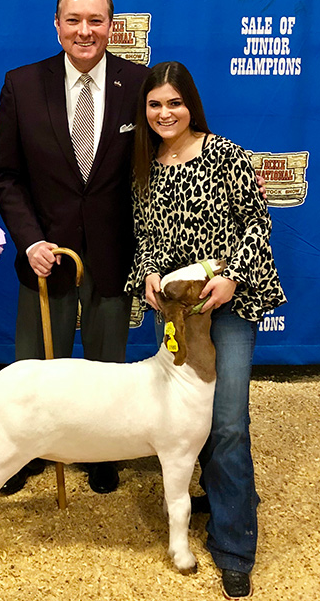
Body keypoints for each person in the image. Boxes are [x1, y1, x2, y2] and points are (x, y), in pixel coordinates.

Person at [126, 61, 286, 599]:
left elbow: (256, 224)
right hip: (175, 314)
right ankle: (212, 498)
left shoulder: (226, 155)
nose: (164, 113)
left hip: (229, 307)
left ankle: (234, 544)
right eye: (154, 105)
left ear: (190, 103)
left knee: (228, 422)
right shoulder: (145, 165)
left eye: (174, 102)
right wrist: (149, 271)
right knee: (182, 419)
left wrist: (233, 278)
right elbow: (146, 236)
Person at [0, 0, 150, 495]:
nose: (85, 31)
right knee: (37, 371)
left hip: (113, 258)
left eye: (95, 20)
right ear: (57, 25)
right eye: (74, 20)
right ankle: (24, 453)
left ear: (111, 25)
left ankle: (101, 453)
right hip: (45, 257)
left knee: (108, 372)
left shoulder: (141, 85)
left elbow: (151, 173)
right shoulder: (21, 84)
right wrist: (30, 240)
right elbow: (7, 178)